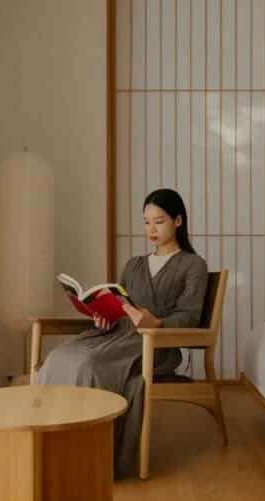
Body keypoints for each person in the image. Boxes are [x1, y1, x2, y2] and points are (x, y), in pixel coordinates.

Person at [34, 188, 208, 478]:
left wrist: (157, 323)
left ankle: (87, 456)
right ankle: (49, 447)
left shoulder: (193, 265)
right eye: (146, 222)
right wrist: (104, 316)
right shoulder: (133, 265)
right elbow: (120, 303)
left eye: (159, 221)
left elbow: (190, 315)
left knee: (88, 365)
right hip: (116, 334)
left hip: (154, 344)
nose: (151, 229)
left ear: (178, 221)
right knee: (59, 356)